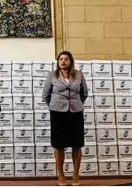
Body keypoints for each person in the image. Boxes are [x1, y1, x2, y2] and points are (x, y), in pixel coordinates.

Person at [42, 51, 88, 186]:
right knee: (59, 145)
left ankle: (75, 175)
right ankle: (61, 175)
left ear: (71, 61)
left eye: (66, 59)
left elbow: (84, 93)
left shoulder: (79, 74)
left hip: (75, 112)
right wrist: (55, 105)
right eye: (60, 59)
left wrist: (75, 103)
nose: (63, 61)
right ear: (58, 62)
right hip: (57, 113)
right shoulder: (52, 75)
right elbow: (46, 95)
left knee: (76, 144)